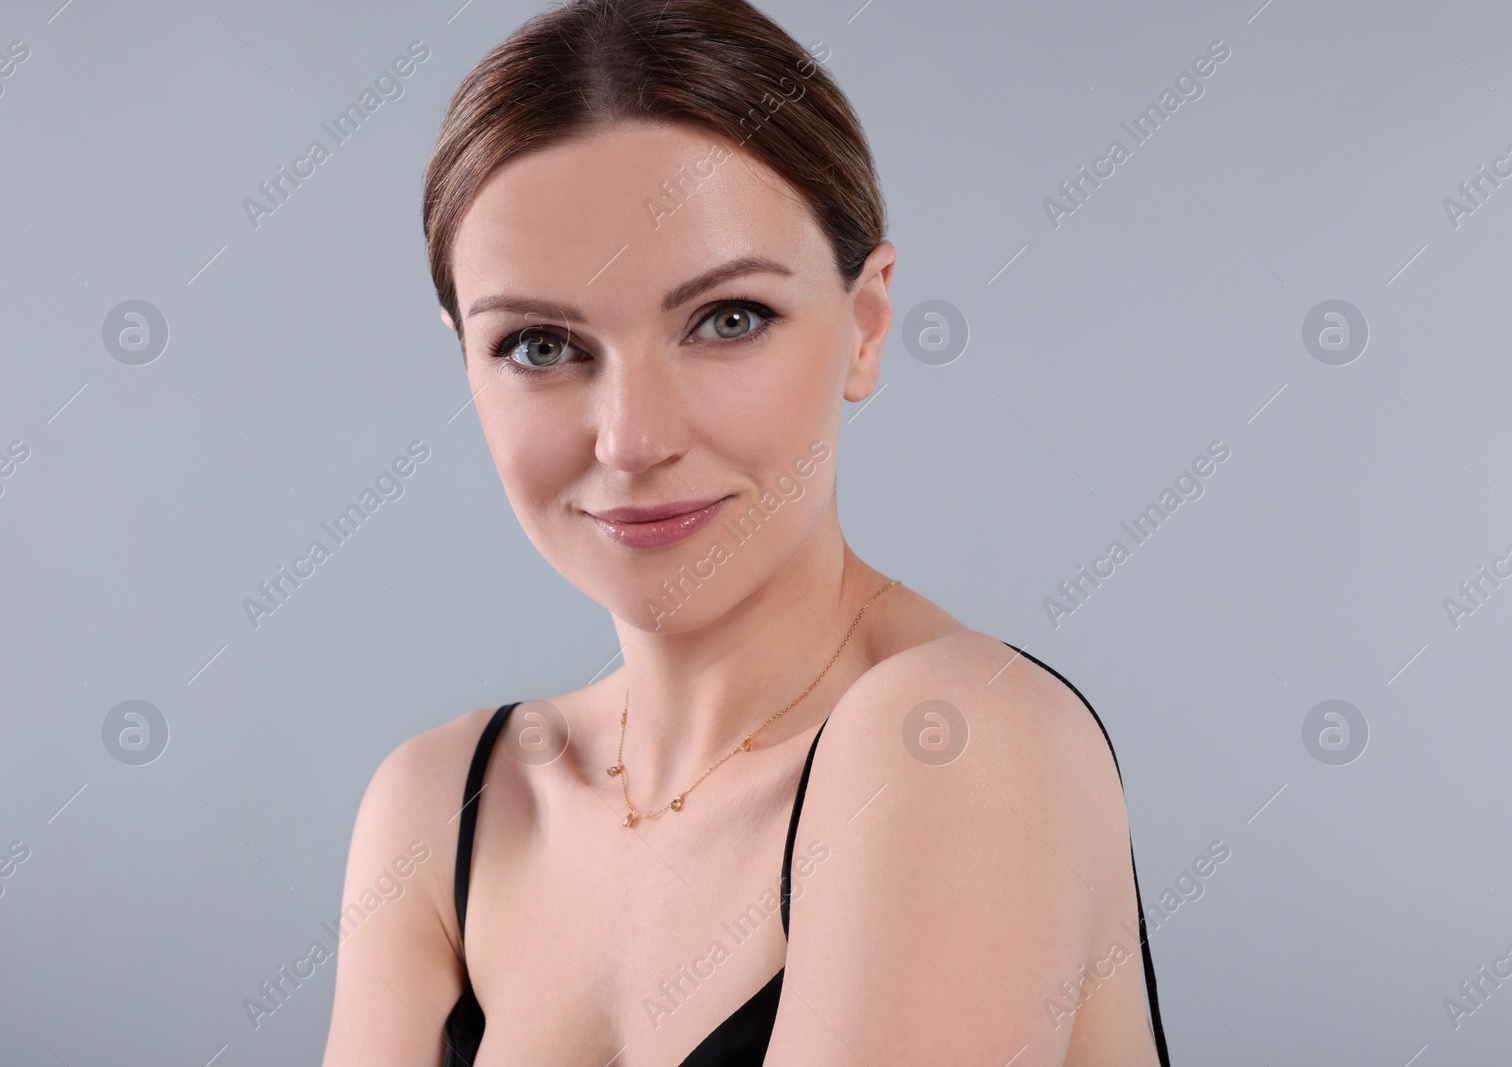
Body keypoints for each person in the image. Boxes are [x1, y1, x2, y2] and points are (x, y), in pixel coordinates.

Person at [323, 1, 1168, 1063]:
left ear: (864, 326)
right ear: (463, 360)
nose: (632, 438)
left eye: (727, 319)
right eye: (539, 344)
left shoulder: (951, 737)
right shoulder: (442, 802)